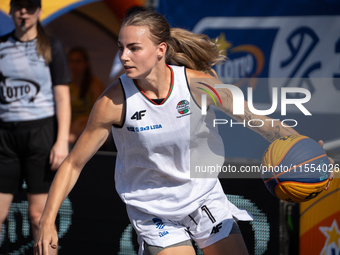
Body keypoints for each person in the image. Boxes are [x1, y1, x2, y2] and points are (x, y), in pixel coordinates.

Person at [34, 10, 333, 255]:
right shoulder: (112, 103)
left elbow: (257, 120)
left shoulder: (198, 85)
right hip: (153, 209)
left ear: (161, 50)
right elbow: (73, 164)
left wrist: (297, 142)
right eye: (121, 47)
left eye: (134, 48)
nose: (124, 56)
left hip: (203, 197)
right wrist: (47, 220)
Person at [0, 0, 71, 254]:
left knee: (39, 214)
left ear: (39, 11)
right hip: (5, 136)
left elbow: (62, 96)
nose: (23, 12)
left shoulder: (52, 46)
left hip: (41, 134)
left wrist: (62, 140)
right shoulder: (1, 45)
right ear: (10, 10)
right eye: (19, 6)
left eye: (30, 7)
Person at [67, 46, 104, 144]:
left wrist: (81, 121)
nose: (74, 65)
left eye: (78, 61)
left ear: (86, 63)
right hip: (68, 125)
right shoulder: (66, 83)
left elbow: (100, 112)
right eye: (71, 61)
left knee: (76, 126)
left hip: (89, 125)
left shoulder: (94, 83)